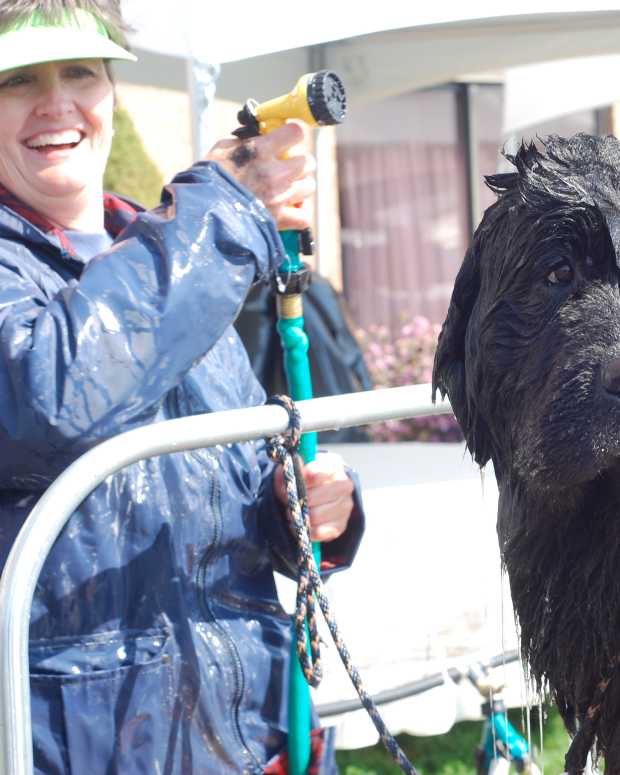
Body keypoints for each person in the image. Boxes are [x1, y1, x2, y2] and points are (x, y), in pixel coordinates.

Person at [0, 2, 363, 773]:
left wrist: (292, 507)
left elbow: (213, 489)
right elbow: (51, 397)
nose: (56, 102)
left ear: (111, 92)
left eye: (80, 73)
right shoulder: (191, 251)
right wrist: (221, 212)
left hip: (254, 736)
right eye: (16, 79)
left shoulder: (174, 257)